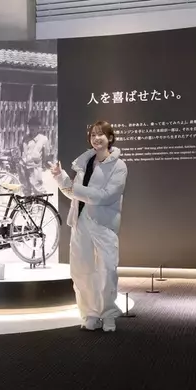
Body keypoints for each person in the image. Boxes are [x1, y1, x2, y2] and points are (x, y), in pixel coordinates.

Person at [50, 120, 128, 332]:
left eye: (100, 134)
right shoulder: (84, 162)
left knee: (107, 270)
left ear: (110, 138)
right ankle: (90, 313)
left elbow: (106, 196)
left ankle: (108, 314)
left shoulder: (119, 166)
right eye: (93, 134)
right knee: (81, 270)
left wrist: (75, 189)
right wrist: (60, 177)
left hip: (104, 224)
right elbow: (72, 193)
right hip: (80, 221)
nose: (96, 138)